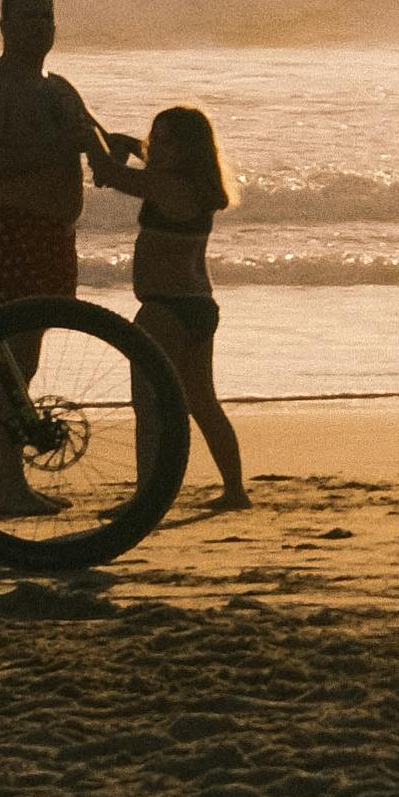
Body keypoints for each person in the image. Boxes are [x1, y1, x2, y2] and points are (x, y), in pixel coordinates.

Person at [0, 0, 142, 515]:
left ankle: (10, 483)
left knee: (27, 360)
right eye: (27, 17)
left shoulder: (59, 86)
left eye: (46, 17)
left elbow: (99, 154)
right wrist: (67, 143)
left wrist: (126, 150)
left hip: (56, 235)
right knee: (12, 360)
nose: (39, 27)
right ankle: (6, 485)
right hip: (11, 231)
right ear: (4, 26)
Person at [130, 100, 250, 509]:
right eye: (153, 139)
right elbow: (146, 165)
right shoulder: (197, 185)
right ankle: (234, 489)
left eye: (166, 143)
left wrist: (87, 140)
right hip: (199, 305)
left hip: (165, 307)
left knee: (148, 403)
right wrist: (128, 144)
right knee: (201, 401)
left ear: (187, 151)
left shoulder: (166, 186)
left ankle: (148, 495)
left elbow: (110, 175)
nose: (155, 149)